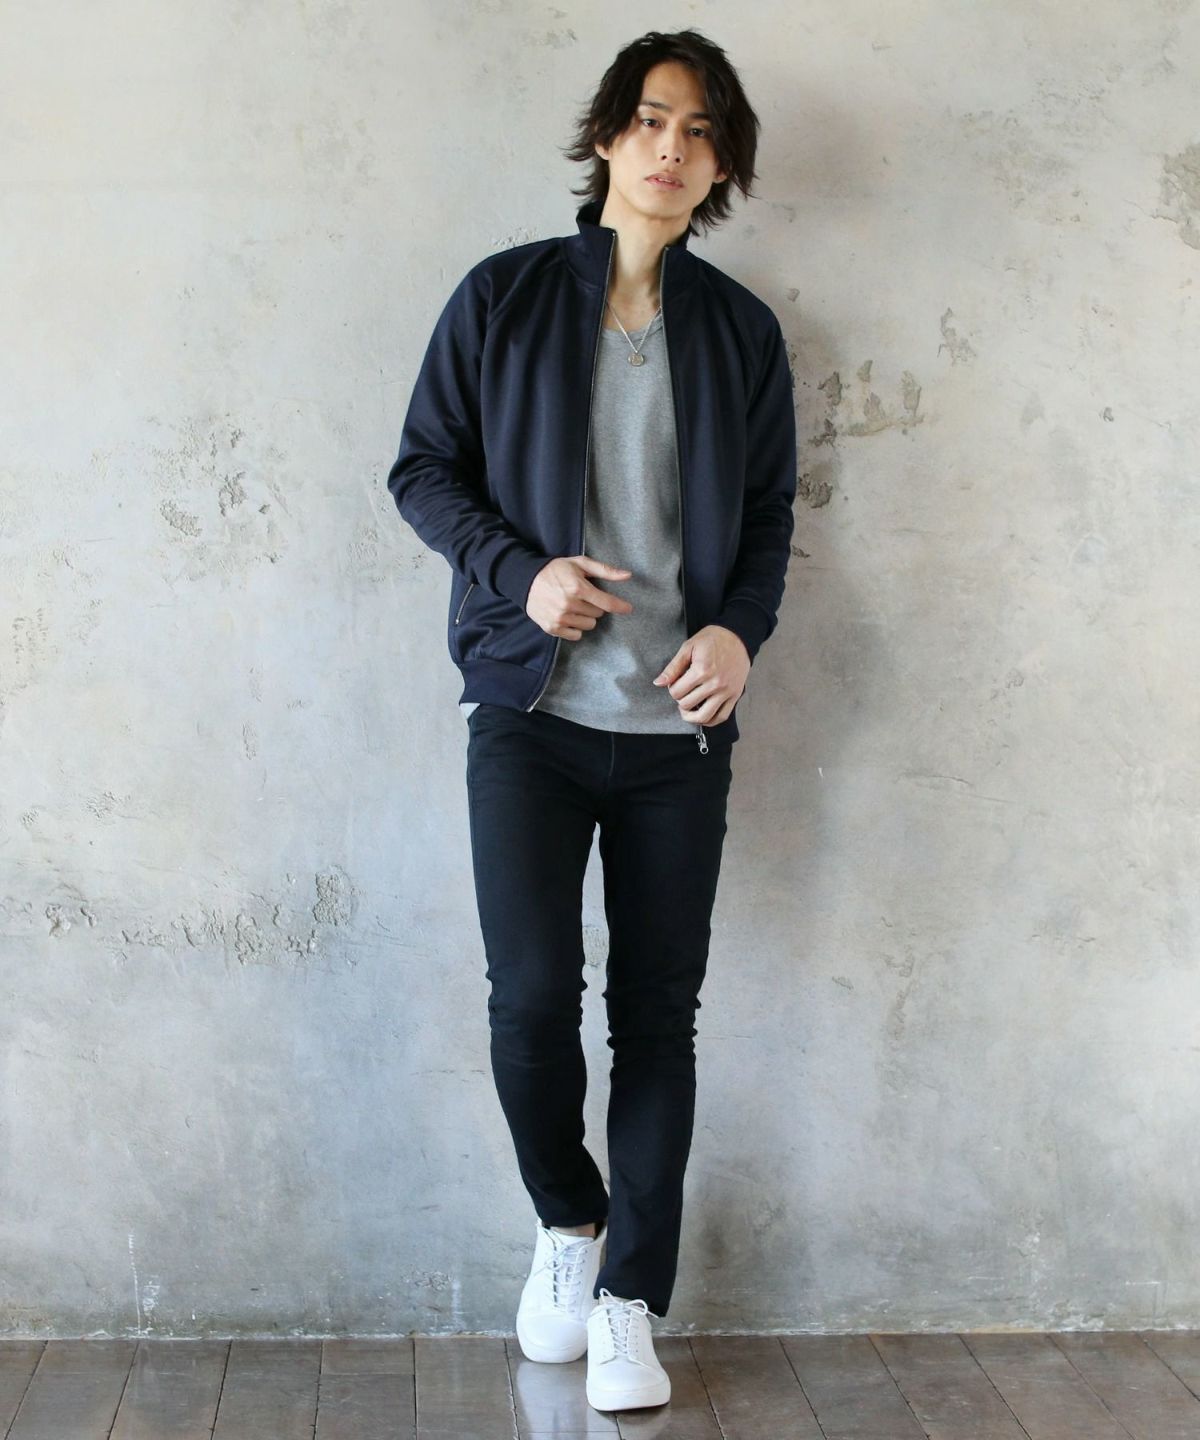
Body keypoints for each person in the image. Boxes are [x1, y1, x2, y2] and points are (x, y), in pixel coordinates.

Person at [386, 27, 796, 1414]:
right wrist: (522, 573)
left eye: (700, 130)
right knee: (529, 999)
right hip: (531, 715)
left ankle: (627, 1298)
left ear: (720, 166)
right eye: (652, 120)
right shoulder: (503, 297)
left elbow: (770, 517)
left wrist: (739, 632)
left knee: (659, 1017)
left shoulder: (740, 332)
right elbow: (423, 470)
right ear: (610, 136)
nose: (672, 148)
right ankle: (569, 1221)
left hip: (679, 736)